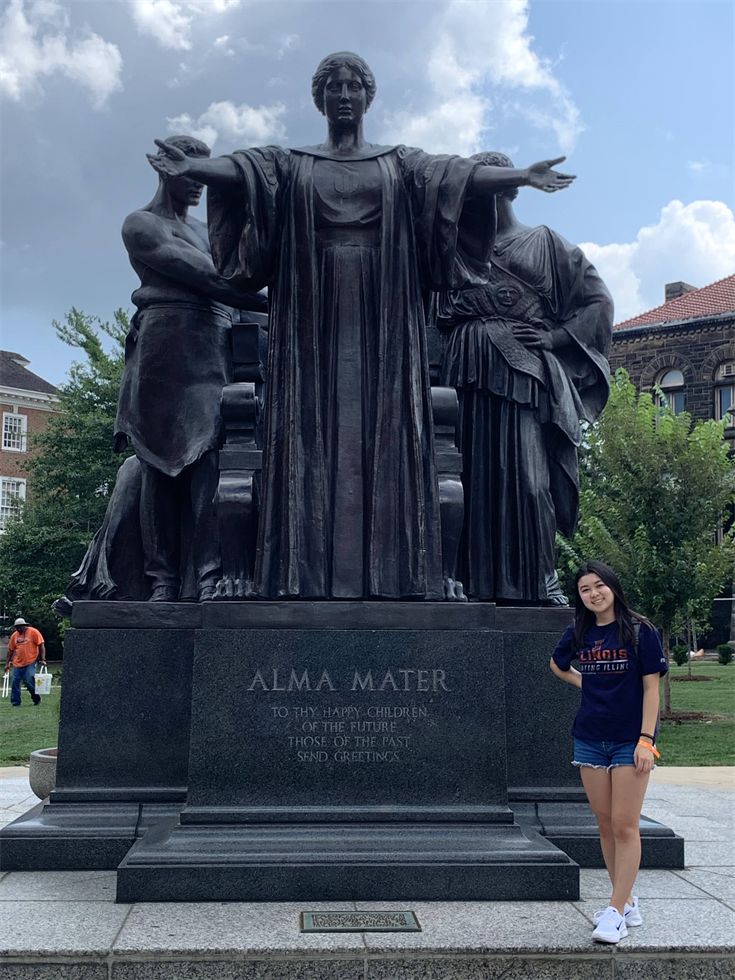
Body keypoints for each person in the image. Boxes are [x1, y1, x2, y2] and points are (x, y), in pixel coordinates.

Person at [147, 52, 576, 600]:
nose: (344, 95)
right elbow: (246, 170)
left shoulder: (399, 164)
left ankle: (397, 574)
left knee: (390, 430)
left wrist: (521, 175)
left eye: (354, 86)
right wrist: (196, 169)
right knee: (307, 430)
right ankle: (299, 574)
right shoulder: (291, 162)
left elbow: (456, 176)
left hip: (385, 323)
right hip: (311, 320)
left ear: (369, 97)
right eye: (334, 87)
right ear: (320, 99)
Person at [436, 151, 613, 604]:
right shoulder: (450, 252)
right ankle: (468, 582)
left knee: (530, 480)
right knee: (466, 480)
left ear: (509, 188)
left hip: (523, 373)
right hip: (465, 373)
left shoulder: (545, 242)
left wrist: (555, 339)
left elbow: (598, 300)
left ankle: (538, 579)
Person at [114, 134, 267, 602]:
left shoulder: (207, 230)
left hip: (213, 348)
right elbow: (211, 278)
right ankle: (161, 579)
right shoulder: (140, 225)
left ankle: (208, 573)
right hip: (166, 345)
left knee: (211, 459)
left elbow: (242, 276)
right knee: (158, 463)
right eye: (190, 171)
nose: (200, 182)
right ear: (165, 168)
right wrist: (286, 303)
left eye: (206, 172)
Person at [550, 561, 668, 944]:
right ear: (580, 597)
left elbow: (652, 689)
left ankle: (615, 912)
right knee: (604, 824)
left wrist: (646, 740)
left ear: (613, 587)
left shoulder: (639, 630)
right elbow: (556, 664)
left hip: (629, 740)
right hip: (589, 738)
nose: (593, 593)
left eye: (599, 585)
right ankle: (626, 900)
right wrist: (586, 683)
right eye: (585, 589)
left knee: (624, 824)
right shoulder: (579, 631)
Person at [5, 618, 46, 707]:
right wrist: (7, 663)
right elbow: (10, 650)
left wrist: (43, 659)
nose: (19, 629)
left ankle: (36, 699)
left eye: (20, 627)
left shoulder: (34, 632)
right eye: (17, 627)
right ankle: (15, 702)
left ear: (24, 626)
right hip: (17, 663)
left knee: (29, 680)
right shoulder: (14, 636)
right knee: (15, 682)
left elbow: (41, 645)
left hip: (31, 660)